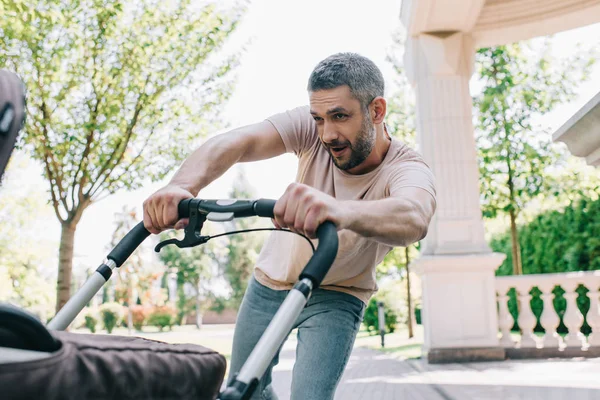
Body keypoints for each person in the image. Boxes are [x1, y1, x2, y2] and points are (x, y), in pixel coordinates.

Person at [143, 52, 436, 400]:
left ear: (376, 111)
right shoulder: (312, 130)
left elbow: (413, 216)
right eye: (319, 118)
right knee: (245, 390)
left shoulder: (407, 167)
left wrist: (338, 211)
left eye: (340, 117)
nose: (328, 134)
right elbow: (239, 141)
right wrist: (182, 186)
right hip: (270, 284)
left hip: (339, 295)